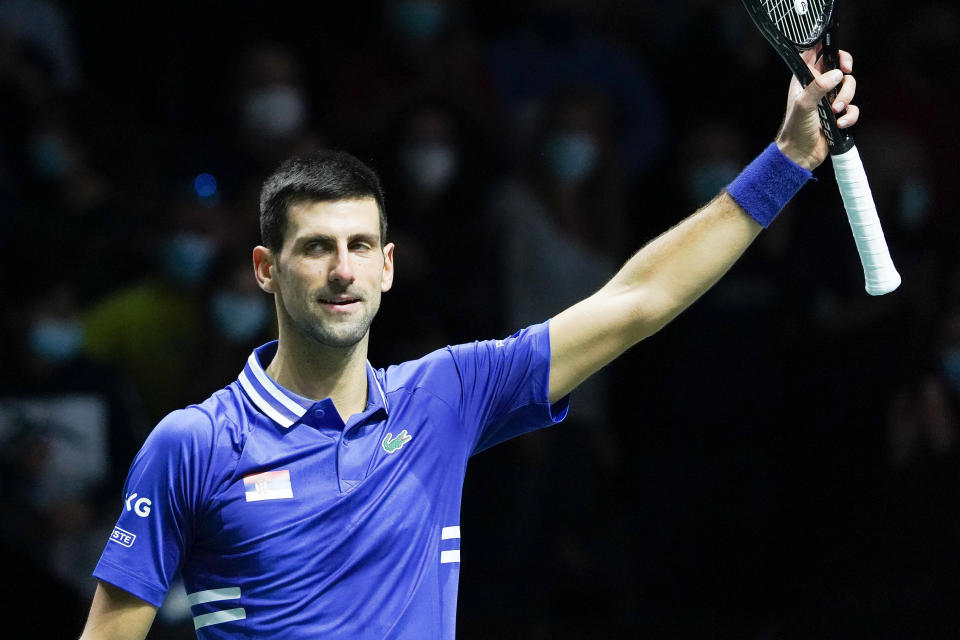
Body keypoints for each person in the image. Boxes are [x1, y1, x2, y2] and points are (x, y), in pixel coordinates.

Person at [79, 47, 861, 639]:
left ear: (388, 268)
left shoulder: (448, 395)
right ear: (265, 269)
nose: (341, 270)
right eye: (316, 247)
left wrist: (787, 161)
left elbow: (636, 301)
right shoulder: (193, 445)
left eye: (360, 247)